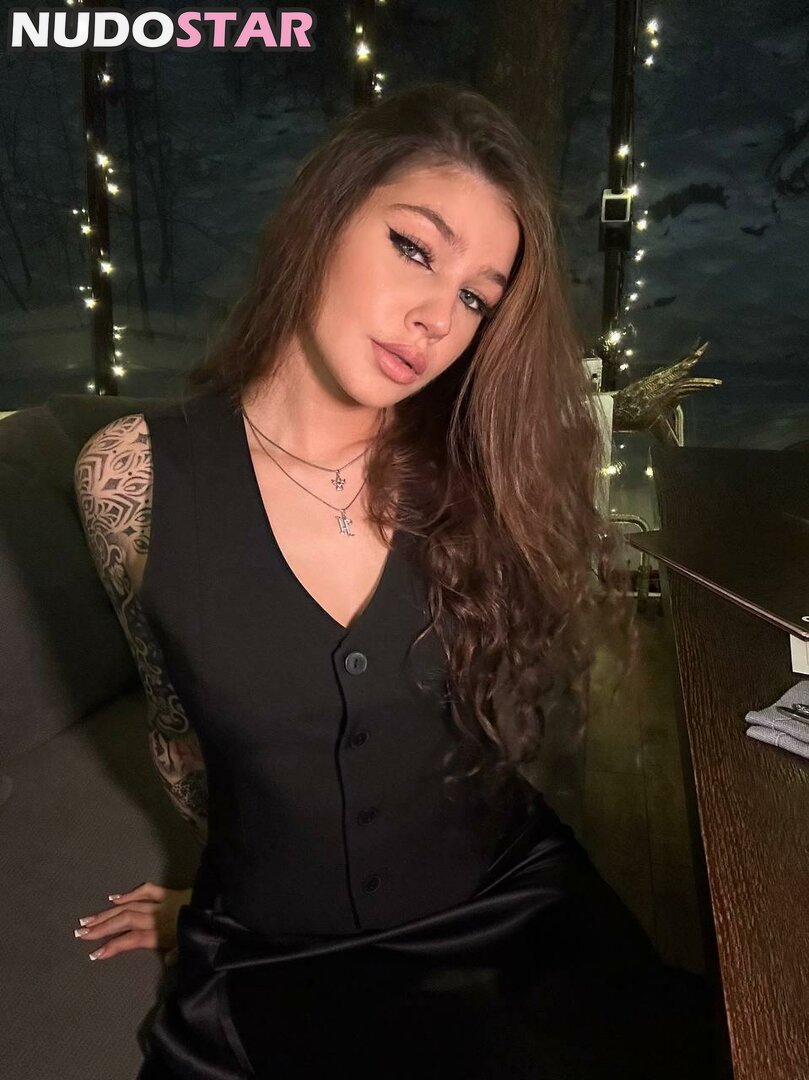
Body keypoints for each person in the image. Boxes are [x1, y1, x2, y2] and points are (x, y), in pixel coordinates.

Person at [72, 82, 727, 1078]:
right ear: (325, 212)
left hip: (500, 923)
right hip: (269, 960)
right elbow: (182, 732)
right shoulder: (129, 477)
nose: (432, 318)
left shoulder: (484, 470)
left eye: (474, 298)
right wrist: (213, 897)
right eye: (414, 248)